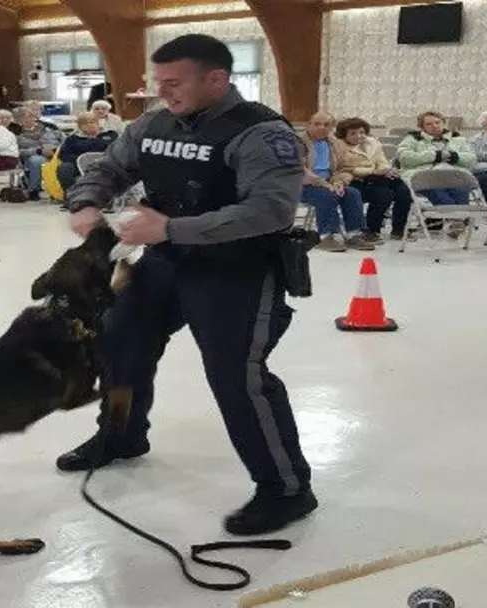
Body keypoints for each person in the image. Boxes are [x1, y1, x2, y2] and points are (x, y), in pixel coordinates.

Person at [56, 34, 316, 537]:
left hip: (236, 269)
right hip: (164, 261)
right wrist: (85, 202)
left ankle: (287, 489)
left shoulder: (261, 133)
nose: (163, 92)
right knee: (118, 343)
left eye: (174, 83)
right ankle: (121, 436)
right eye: (160, 83)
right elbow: (109, 167)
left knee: (236, 375)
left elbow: (270, 210)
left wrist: (171, 229)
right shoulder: (154, 124)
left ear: (216, 79)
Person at [300, 112, 373, 252]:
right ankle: (327, 236)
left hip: (329, 183)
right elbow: (298, 170)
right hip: (301, 185)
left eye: (326, 125)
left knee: (353, 193)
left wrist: (340, 182)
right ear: (308, 125)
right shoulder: (297, 142)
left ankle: (354, 234)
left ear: (332, 127)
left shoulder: (336, 144)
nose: (322, 127)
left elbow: (344, 168)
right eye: (317, 124)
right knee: (326, 195)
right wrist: (325, 184)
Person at [336, 117, 413, 241]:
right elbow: (345, 168)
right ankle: (372, 230)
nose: (359, 136)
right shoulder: (338, 146)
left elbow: (381, 161)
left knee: (403, 191)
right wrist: (374, 172)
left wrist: (386, 170)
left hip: (377, 177)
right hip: (354, 180)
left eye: (361, 132)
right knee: (383, 194)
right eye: (353, 133)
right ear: (344, 135)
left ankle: (399, 229)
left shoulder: (372, 143)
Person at [55, 111, 118, 193]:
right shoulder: (72, 139)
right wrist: (81, 159)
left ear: (98, 122)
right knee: (65, 168)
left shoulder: (111, 135)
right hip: (80, 165)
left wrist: (94, 140)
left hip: (107, 163)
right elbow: (63, 155)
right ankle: (71, 195)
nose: (89, 125)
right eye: (84, 123)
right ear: (79, 126)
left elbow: (118, 149)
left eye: (92, 122)